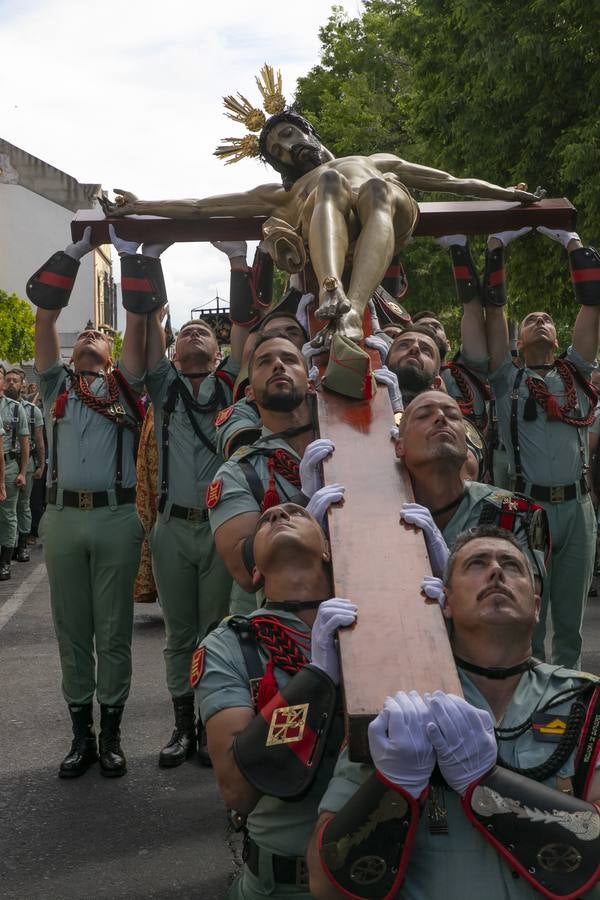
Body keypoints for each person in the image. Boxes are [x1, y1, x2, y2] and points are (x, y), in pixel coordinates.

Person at [100, 67, 541, 342]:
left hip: (386, 212)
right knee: (328, 183)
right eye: (278, 148)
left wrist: (507, 194)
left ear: (309, 132)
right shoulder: (284, 192)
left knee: (376, 189)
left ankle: (351, 303)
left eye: (290, 135)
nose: (288, 147)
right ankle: (333, 291)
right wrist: (142, 204)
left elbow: (449, 181)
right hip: (322, 224)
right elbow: (200, 207)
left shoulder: (371, 160)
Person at [306, 527, 600, 899]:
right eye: (477, 564)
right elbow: (323, 883)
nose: (496, 571)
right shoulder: (398, 708)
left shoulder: (586, 704)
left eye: (512, 566)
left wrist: (488, 785)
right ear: (445, 602)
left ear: (537, 606)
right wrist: (392, 790)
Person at [28, 227, 146, 778]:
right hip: (64, 518)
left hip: (116, 516)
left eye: (101, 333)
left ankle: (113, 736)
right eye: (87, 332)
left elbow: (144, 327)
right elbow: (45, 319)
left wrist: (131, 260)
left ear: (111, 350)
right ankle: (81, 735)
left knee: (113, 629)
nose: (91, 335)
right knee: (71, 630)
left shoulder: (127, 389)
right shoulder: (55, 387)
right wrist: (74, 254)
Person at [196, 501, 354, 899]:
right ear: (255, 571)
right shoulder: (231, 645)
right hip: (283, 884)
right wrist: (315, 678)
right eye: (266, 520)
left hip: (384, 873)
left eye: (298, 513)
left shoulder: (378, 624)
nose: (279, 514)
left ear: (327, 551)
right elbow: (238, 791)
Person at [485, 227, 600, 667]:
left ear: (557, 337)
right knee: (528, 620)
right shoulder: (507, 380)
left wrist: (571, 242)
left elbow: (593, 303)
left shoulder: (575, 375)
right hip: (528, 512)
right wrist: (498, 247)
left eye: (547, 319)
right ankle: (529, 695)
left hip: (577, 509)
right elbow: (493, 314)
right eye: (530, 319)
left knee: (570, 623)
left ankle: (568, 700)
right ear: (518, 341)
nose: (540, 321)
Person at [207, 333, 342, 599]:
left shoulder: (349, 439)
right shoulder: (238, 472)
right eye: (264, 362)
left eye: (290, 359)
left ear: (311, 381)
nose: (278, 365)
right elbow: (245, 572)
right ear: (249, 393)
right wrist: (304, 501)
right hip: (295, 622)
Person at [395, 392, 548, 585]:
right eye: (424, 415)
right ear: (399, 446)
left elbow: (525, 603)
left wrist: (450, 582)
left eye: (453, 416)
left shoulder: (514, 513)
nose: (441, 418)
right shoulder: (380, 518)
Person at [4, 367, 45, 562]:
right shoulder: (6, 407)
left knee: (23, 504)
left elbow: (39, 439)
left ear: (22, 384)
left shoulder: (32, 410)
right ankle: (9, 545)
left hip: (25, 462)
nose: (11, 383)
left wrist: (41, 465)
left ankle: (22, 543)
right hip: (9, 459)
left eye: (15, 380)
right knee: (9, 507)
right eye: (8, 379)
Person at [0, 364, 29, 579]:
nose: (8, 383)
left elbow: (25, 442)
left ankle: (5, 561)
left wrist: (22, 471)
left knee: (8, 514)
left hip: (9, 465)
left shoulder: (15, 408)